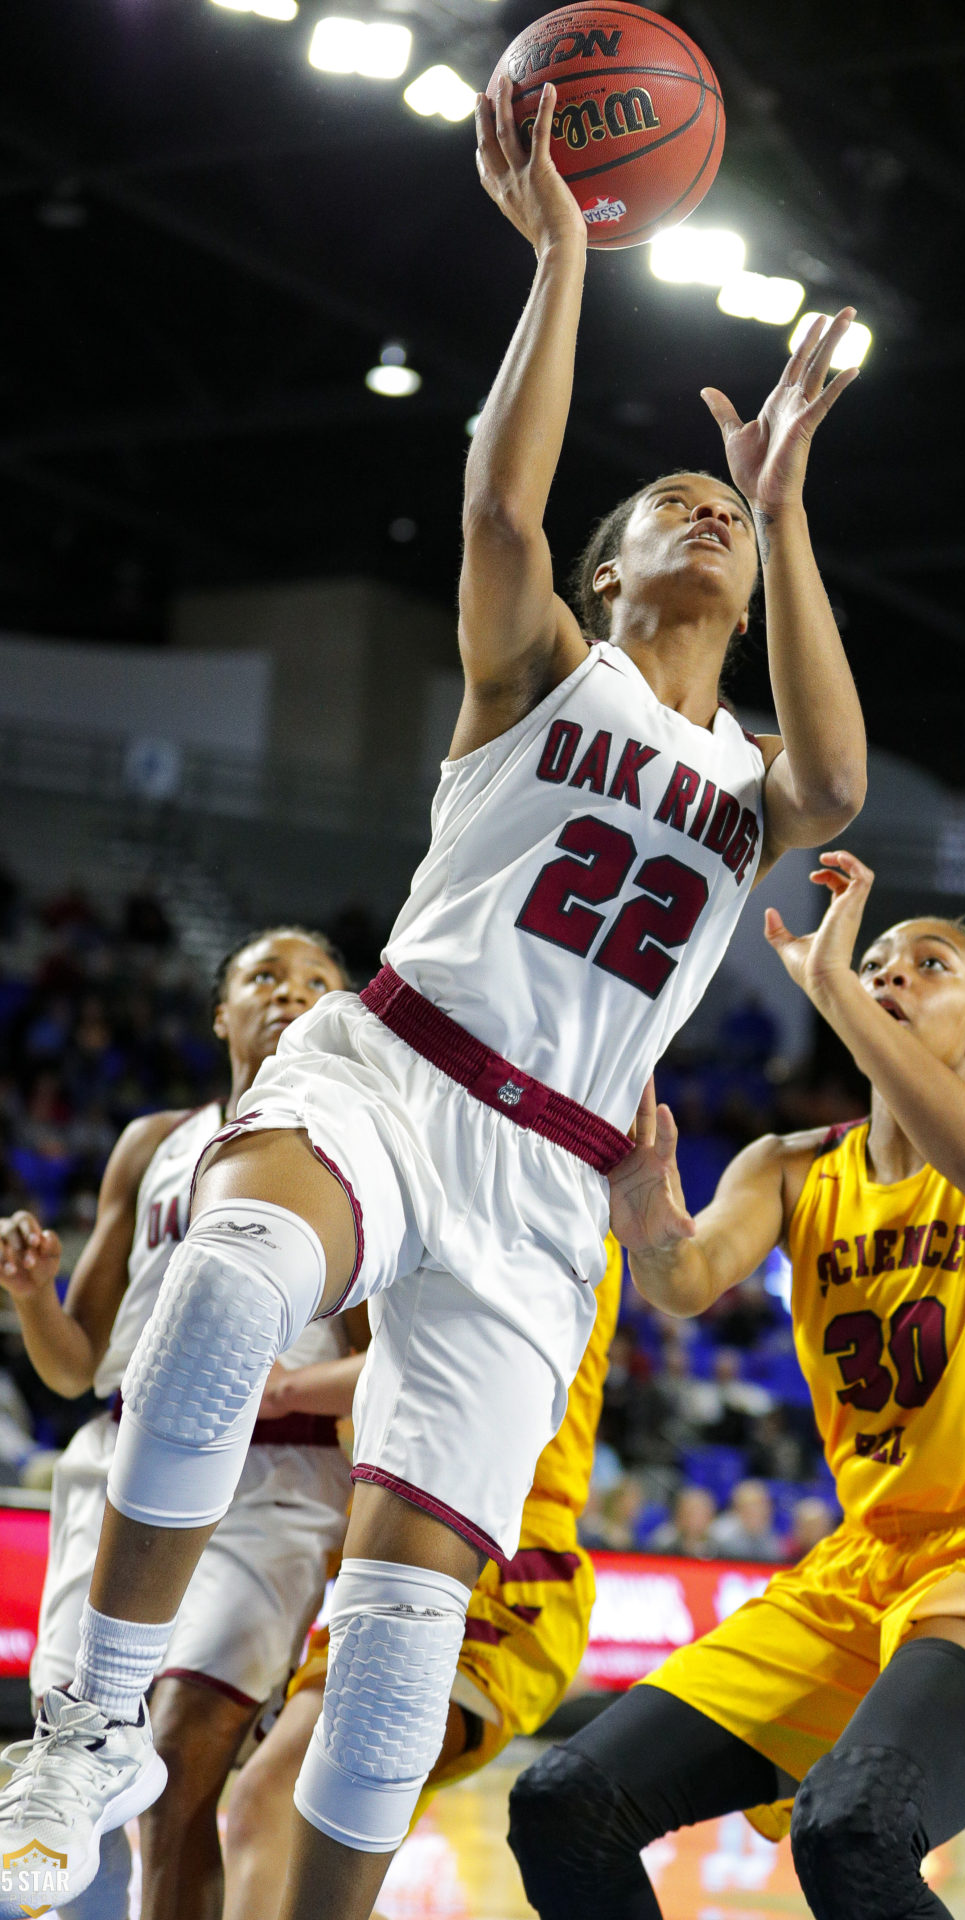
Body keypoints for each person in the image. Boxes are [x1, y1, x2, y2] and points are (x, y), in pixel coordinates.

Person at [0, 75, 867, 1920]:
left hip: (549, 1187)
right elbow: (497, 498)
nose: (701, 516)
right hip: (397, 1066)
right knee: (229, 1286)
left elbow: (847, 792)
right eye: (678, 503)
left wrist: (787, 507)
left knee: (403, 1629)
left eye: (723, 508)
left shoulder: (754, 780)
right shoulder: (544, 667)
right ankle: (83, 1722)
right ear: (616, 567)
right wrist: (564, 256)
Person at [508, 854, 965, 1920]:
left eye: (924, 965)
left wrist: (833, 984)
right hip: (864, 1564)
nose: (888, 972)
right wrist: (644, 1202)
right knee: (564, 1803)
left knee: (852, 1829)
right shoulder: (792, 1167)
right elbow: (683, 1280)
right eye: (874, 960)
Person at [0, 929, 356, 1920]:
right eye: (264, 978)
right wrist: (34, 1299)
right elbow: (78, 1365)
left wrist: (292, 1389)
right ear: (219, 1011)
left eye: (318, 983)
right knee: (75, 1764)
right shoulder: (153, 1145)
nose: (289, 994)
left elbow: (389, 1363)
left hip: (276, 1478)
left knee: (182, 1750)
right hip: (122, 1454)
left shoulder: (361, 1156)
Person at [220, 1237, 623, 1920]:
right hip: (395, 1558)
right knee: (323, 1870)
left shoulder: (552, 1200)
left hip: (492, 1564)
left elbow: (449, 1359)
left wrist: (285, 1389)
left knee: (276, 1801)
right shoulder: (427, 1189)